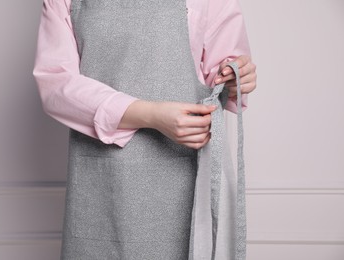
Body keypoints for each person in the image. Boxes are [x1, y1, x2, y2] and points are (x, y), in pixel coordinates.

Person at [34, 0, 256, 259]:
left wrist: (235, 76)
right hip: (104, 183)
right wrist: (151, 115)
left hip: (183, 175)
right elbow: (56, 83)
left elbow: (220, 72)